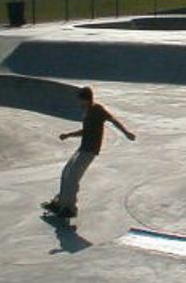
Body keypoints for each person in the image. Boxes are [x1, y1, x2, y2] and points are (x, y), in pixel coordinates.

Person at [42, 86, 135, 218]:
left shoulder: (97, 109)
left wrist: (126, 132)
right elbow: (85, 131)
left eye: (80, 100)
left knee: (73, 176)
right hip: (83, 148)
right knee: (66, 172)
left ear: (86, 99)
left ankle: (70, 208)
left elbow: (113, 120)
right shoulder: (87, 111)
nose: (79, 103)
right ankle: (60, 203)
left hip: (90, 150)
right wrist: (69, 135)